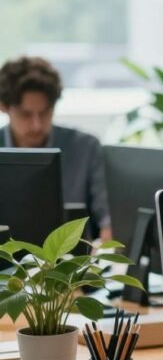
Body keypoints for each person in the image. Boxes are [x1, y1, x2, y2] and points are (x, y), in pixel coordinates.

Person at [0, 56, 111, 240]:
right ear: (4, 107)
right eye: (25, 114)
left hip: (73, 266)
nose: (36, 125)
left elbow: (109, 222)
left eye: (44, 113)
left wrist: (100, 256)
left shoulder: (86, 148)